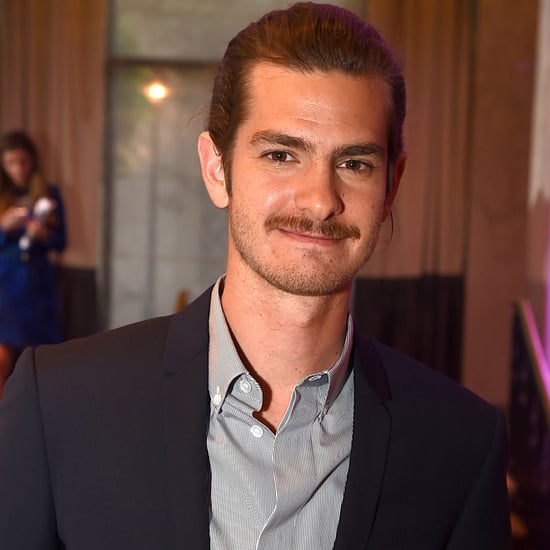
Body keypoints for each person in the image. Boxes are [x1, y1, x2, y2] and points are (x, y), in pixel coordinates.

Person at [0, 3, 511, 549]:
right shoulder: (58, 405)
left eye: (355, 164)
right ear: (217, 170)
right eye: (281, 155)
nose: (319, 200)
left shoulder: (461, 446)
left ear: (391, 187)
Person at [0, 130, 66, 398]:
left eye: (24, 161)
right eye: (12, 162)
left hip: (39, 284)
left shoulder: (49, 194)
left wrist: (44, 234)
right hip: (6, 286)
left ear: (33, 161)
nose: (19, 169)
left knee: (41, 359)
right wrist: (3, 227)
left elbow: (62, 242)